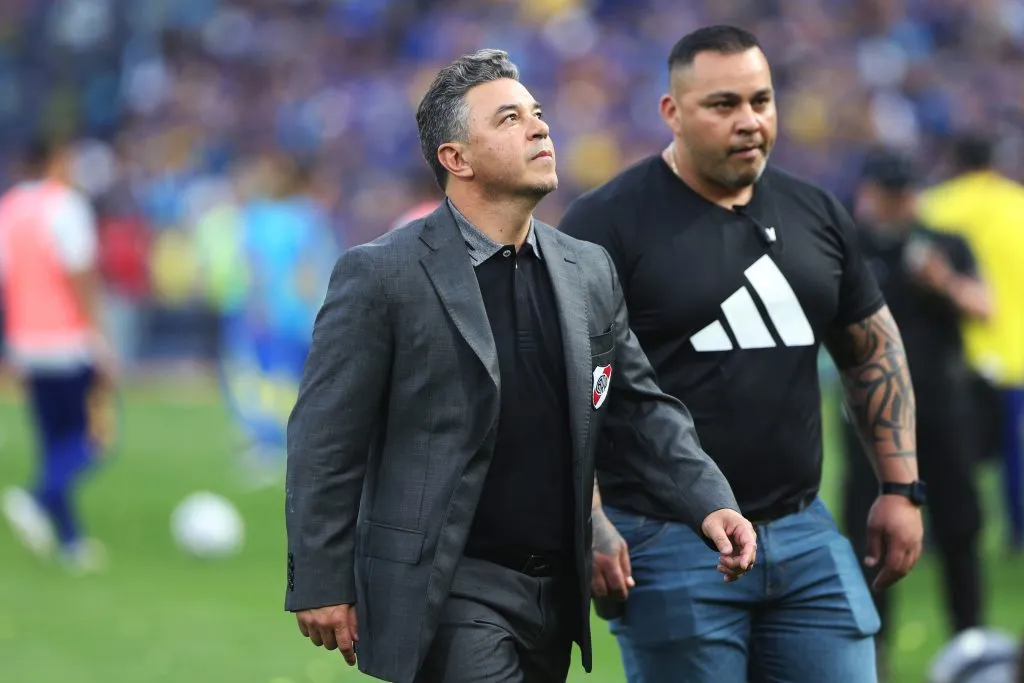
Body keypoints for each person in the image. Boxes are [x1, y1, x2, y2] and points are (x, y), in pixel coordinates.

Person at [283, 49, 758, 683]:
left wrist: (709, 501)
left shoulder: (586, 268)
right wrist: (319, 575)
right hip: (447, 585)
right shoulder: (381, 274)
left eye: (537, 114)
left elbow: (639, 408)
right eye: (509, 119)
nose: (540, 128)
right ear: (457, 159)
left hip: (554, 588)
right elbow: (325, 437)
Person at [559, 25, 924, 683]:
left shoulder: (816, 211)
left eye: (762, 100)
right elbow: (565, 386)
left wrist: (900, 487)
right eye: (723, 104)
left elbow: (872, 348)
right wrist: (589, 520)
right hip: (667, 537)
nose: (750, 120)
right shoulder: (604, 224)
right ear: (671, 112)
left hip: (803, 526)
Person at [841, 148, 991, 678]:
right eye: (890, 190)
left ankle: (971, 645)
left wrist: (942, 280)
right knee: (870, 535)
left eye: (906, 190)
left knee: (960, 527)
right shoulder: (852, 249)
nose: (900, 201)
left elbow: (985, 307)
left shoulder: (942, 244)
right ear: (870, 194)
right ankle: (871, 651)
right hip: (871, 415)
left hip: (942, 407)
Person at [0, 137, 117, 574]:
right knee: (96, 439)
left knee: (54, 443)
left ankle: (71, 543)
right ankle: (36, 497)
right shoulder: (65, 206)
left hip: (25, 341)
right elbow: (80, 274)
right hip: (68, 341)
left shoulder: (9, 209)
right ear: (53, 160)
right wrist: (100, 336)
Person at [916, 133, 1024, 550]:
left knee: (944, 451)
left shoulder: (935, 206)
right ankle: (1017, 532)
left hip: (954, 354)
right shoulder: (1018, 205)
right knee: (1014, 452)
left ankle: (938, 533)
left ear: (955, 160)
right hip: (1014, 352)